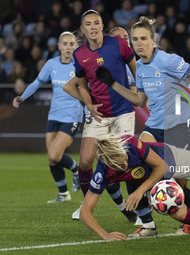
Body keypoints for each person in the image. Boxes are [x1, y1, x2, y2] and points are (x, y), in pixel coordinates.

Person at [95, 16, 190, 235]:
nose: (139, 43)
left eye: (144, 38)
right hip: (155, 126)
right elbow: (139, 101)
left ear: (154, 40)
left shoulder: (168, 60)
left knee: (176, 185)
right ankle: (147, 224)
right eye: (135, 39)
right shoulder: (142, 69)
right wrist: (113, 84)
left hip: (180, 127)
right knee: (131, 165)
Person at [79, 134, 190, 241]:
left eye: (125, 159)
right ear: (108, 163)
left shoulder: (131, 143)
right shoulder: (103, 173)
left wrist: (140, 191)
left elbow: (161, 166)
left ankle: (182, 183)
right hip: (156, 180)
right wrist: (105, 235)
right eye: (120, 165)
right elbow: (85, 212)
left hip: (170, 158)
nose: (125, 163)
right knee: (180, 214)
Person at [65, 10, 137, 223]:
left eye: (97, 23)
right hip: (98, 114)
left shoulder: (119, 44)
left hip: (123, 112)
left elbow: (137, 69)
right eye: (88, 24)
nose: (93, 27)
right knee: (86, 161)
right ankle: (86, 205)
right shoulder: (79, 54)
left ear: (102, 25)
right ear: (83, 29)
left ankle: (137, 209)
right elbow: (81, 84)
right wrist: (88, 104)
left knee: (121, 163)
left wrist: (140, 95)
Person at [12, 31, 84, 203]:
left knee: (54, 155)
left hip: (72, 115)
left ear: (76, 46)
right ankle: (63, 194)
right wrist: (23, 96)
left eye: (72, 44)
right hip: (54, 115)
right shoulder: (51, 64)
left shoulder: (80, 66)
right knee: (52, 159)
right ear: (59, 46)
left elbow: (87, 92)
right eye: (65, 44)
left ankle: (76, 170)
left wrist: (90, 111)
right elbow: (37, 82)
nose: (68, 47)